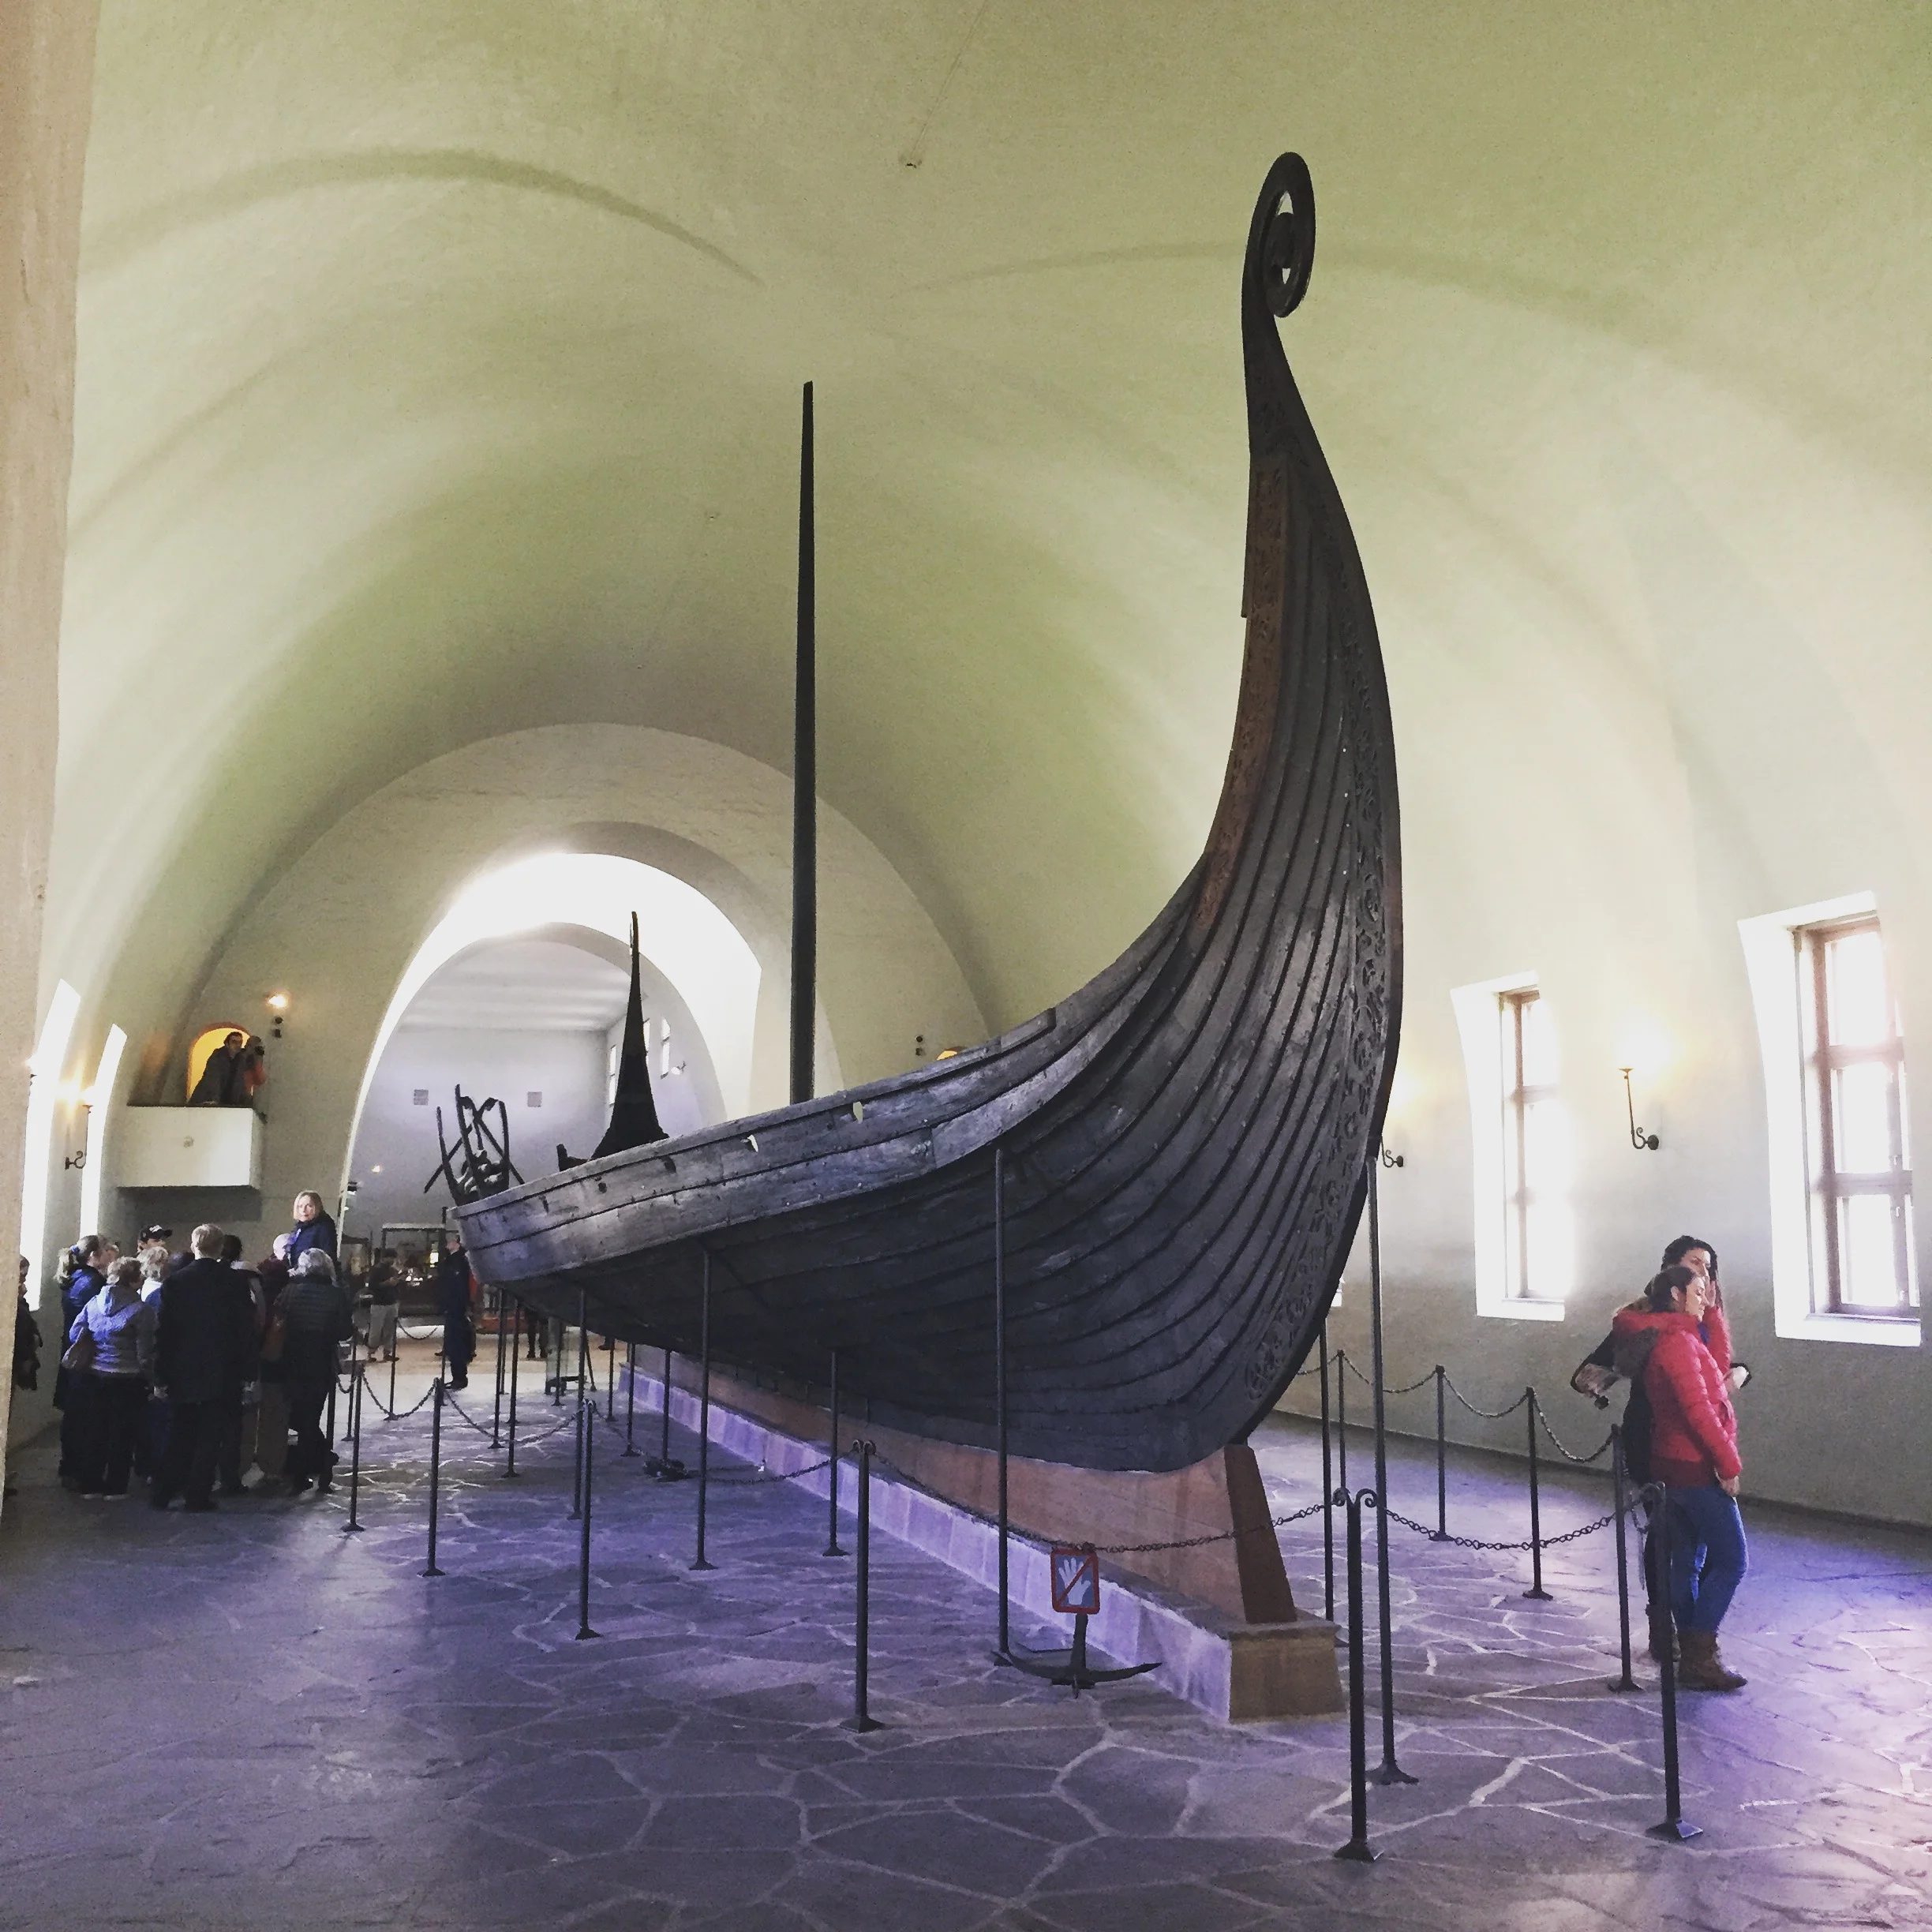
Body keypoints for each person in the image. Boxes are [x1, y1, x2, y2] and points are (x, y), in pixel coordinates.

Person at [1612, 1264, 1748, 1692]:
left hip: (1674, 1466)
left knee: (1687, 1560)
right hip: (1691, 1468)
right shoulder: (1676, 1345)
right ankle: (1699, 1652)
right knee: (1731, 1558)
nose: (1705, 1295)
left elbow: (1719, 1373)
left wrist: (1713, 1315)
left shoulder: (1678, 1336)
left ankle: (1693, 1656)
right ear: (1674, 1294)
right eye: (1697, 1289)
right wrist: (1728, 1465)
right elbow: (1700, 1411)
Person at [151, 1225, 254, 1512]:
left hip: (182, 1369)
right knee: (210, 1437)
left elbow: (164, 1332)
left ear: (193, 1245)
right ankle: (198, 1495)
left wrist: (160, 1373)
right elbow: (243, 1330)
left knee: (178, 1433)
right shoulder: (234, 1282)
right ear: (220, 1248)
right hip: (222, 1370)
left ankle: (163, 1493)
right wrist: (248, 1373)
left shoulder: (176, 1282)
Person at [67, 1258, 155, 1496]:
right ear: (136, 1280)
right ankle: (116, 1487)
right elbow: (144, 1353)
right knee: (122, 1434)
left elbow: (75, 1332)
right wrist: (153, 1379)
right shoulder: (141, 1310)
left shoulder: (94, 1303)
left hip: (95, 1375)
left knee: (95, 1431)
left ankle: (91, 1484)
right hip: (128, 1378)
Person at [280, 1249, 351, 1495]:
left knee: (300, 1417)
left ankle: (308, 1470)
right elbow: (344, 1331)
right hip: (320, 1361)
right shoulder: (335, 1294)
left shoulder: (290, 1291)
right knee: (312, 1417)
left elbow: (278, 1321)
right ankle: (317, 1467)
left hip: (291, 1360)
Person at [54, 1236, 115, 1489]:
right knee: (87, 1417)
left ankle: (71, 1465)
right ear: (94, 1255)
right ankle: (83, 1470)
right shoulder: (92, 1282)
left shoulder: (76, 1279)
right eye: (105, 1251)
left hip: (74, 1352)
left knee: (75, 1414)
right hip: (87, 1355)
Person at [215, 1234, 267, 1494]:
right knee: (238, 1422)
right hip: (239, 1357)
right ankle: (234, 1472)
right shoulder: (250, 1278)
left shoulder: (213, 1278)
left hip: (212, 1357)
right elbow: (259, 1318)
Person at [433, 1231, 475, 1391]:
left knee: (457, 1343)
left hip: (457, 1308)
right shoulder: (453, 1261)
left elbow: (459, 1287)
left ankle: (459, 1377)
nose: (447, 1243)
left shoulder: (460, 1262)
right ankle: (457, 1376)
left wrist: (462, 1305)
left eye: (451, 1241)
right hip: (453, 1307)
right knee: (453, 1343)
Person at [189, 1032, 248, 1105]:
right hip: (207, 1099)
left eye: (240, 1042)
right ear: (227, 1044)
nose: (238, 1045)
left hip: (227, 1100)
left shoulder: (240, 1059)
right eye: (234, 1042)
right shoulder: (217, 1057)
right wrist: (214, 1098)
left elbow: (240, 1082)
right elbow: (213, 1078)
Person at [283, 1191, 338, 1268]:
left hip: (313, 1277)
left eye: (309, 1206)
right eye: (300, 1206)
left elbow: (327, 1259)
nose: (303, 1210)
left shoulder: (324, 1228)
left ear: (317, 1207)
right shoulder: (300, 1227)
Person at [365, 1252, 402, 1362]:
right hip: (379, 1304)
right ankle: (370, 1353)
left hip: (392, 1302)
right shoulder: (376, 1270)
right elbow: (372, 1286)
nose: (392, 1260)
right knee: (376, 1330)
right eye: (391, 1258)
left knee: (390, 1330)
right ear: (384, 1258)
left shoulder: (392, 1270)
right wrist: (387, 1283)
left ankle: (387, 1352)